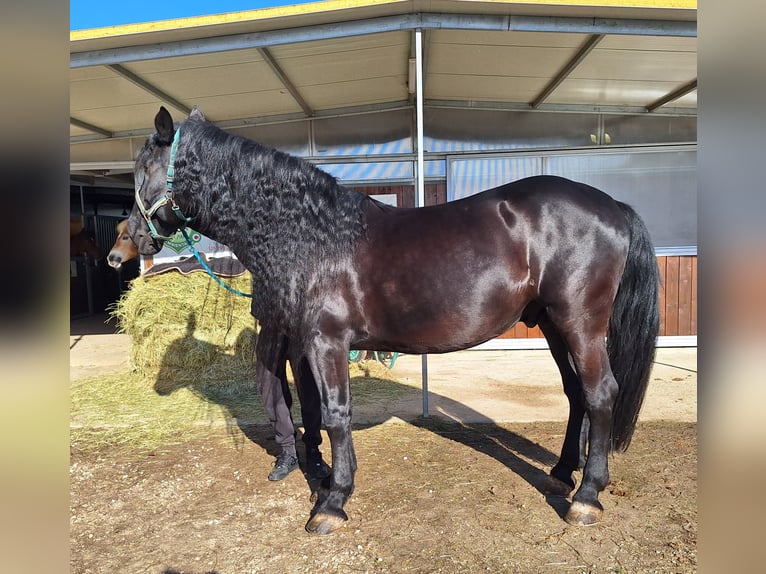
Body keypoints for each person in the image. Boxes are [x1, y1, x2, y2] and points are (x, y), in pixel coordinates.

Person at [252, 305, 331, 482]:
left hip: (303, 325)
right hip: (271, 326)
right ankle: (288, 452)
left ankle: (312, 449)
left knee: (310, 390)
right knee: (270, 388)